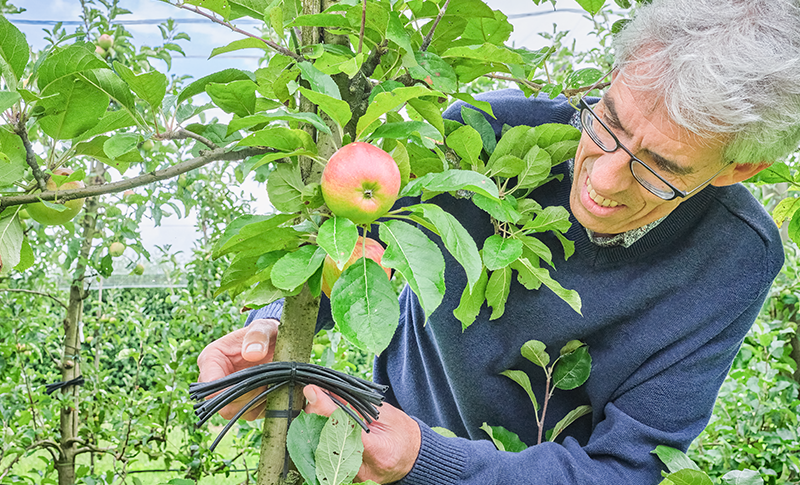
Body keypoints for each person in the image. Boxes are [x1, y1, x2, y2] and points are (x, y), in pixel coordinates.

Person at [197, 0, 800, 483]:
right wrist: (273, 325)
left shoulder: (735, 258)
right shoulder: (480, 141)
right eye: (609, 121)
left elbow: (626, 467)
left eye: (658, 168)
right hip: (378, 444)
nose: (603, 180)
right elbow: (351, 258)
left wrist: (429, 464)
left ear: (735, 170)